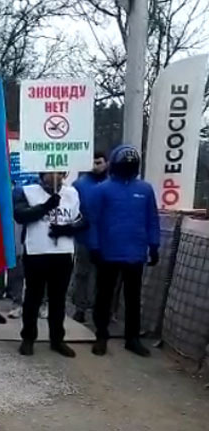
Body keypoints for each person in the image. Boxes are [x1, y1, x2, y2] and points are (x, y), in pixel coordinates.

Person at [89, 145, 159, 357]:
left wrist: (154, 245)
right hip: (108, 252)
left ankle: (132, 338)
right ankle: (101, 335)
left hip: (135, 252)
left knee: (133, 298)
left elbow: (152, 219)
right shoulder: (102, 190)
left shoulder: (145, 189)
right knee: (104, 296)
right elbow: (93, 221)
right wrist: (94, 247)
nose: (128, 168)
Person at [13, 171, 85, 357]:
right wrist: (45, 207)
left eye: (59, 173)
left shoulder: (72, 193)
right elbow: (20, 215)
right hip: (36, 251)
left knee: (58, 299)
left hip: (62, 252)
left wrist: (67, 229)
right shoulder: (27, 191)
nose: (55, 176)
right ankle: (28, 338)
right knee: (33, 298)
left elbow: (82, 219)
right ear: (42, 174)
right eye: (50, 173)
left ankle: (57, 339)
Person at [70, 151, 108, 323]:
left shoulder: (111, 183)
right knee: (82, 273)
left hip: (106, 237)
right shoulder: (79, 185)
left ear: (106, 163)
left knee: (104, 275)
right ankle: (80, 308)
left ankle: (101, 308)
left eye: (99, 162)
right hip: (84, 236)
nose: (95, 166)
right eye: (92, 163)